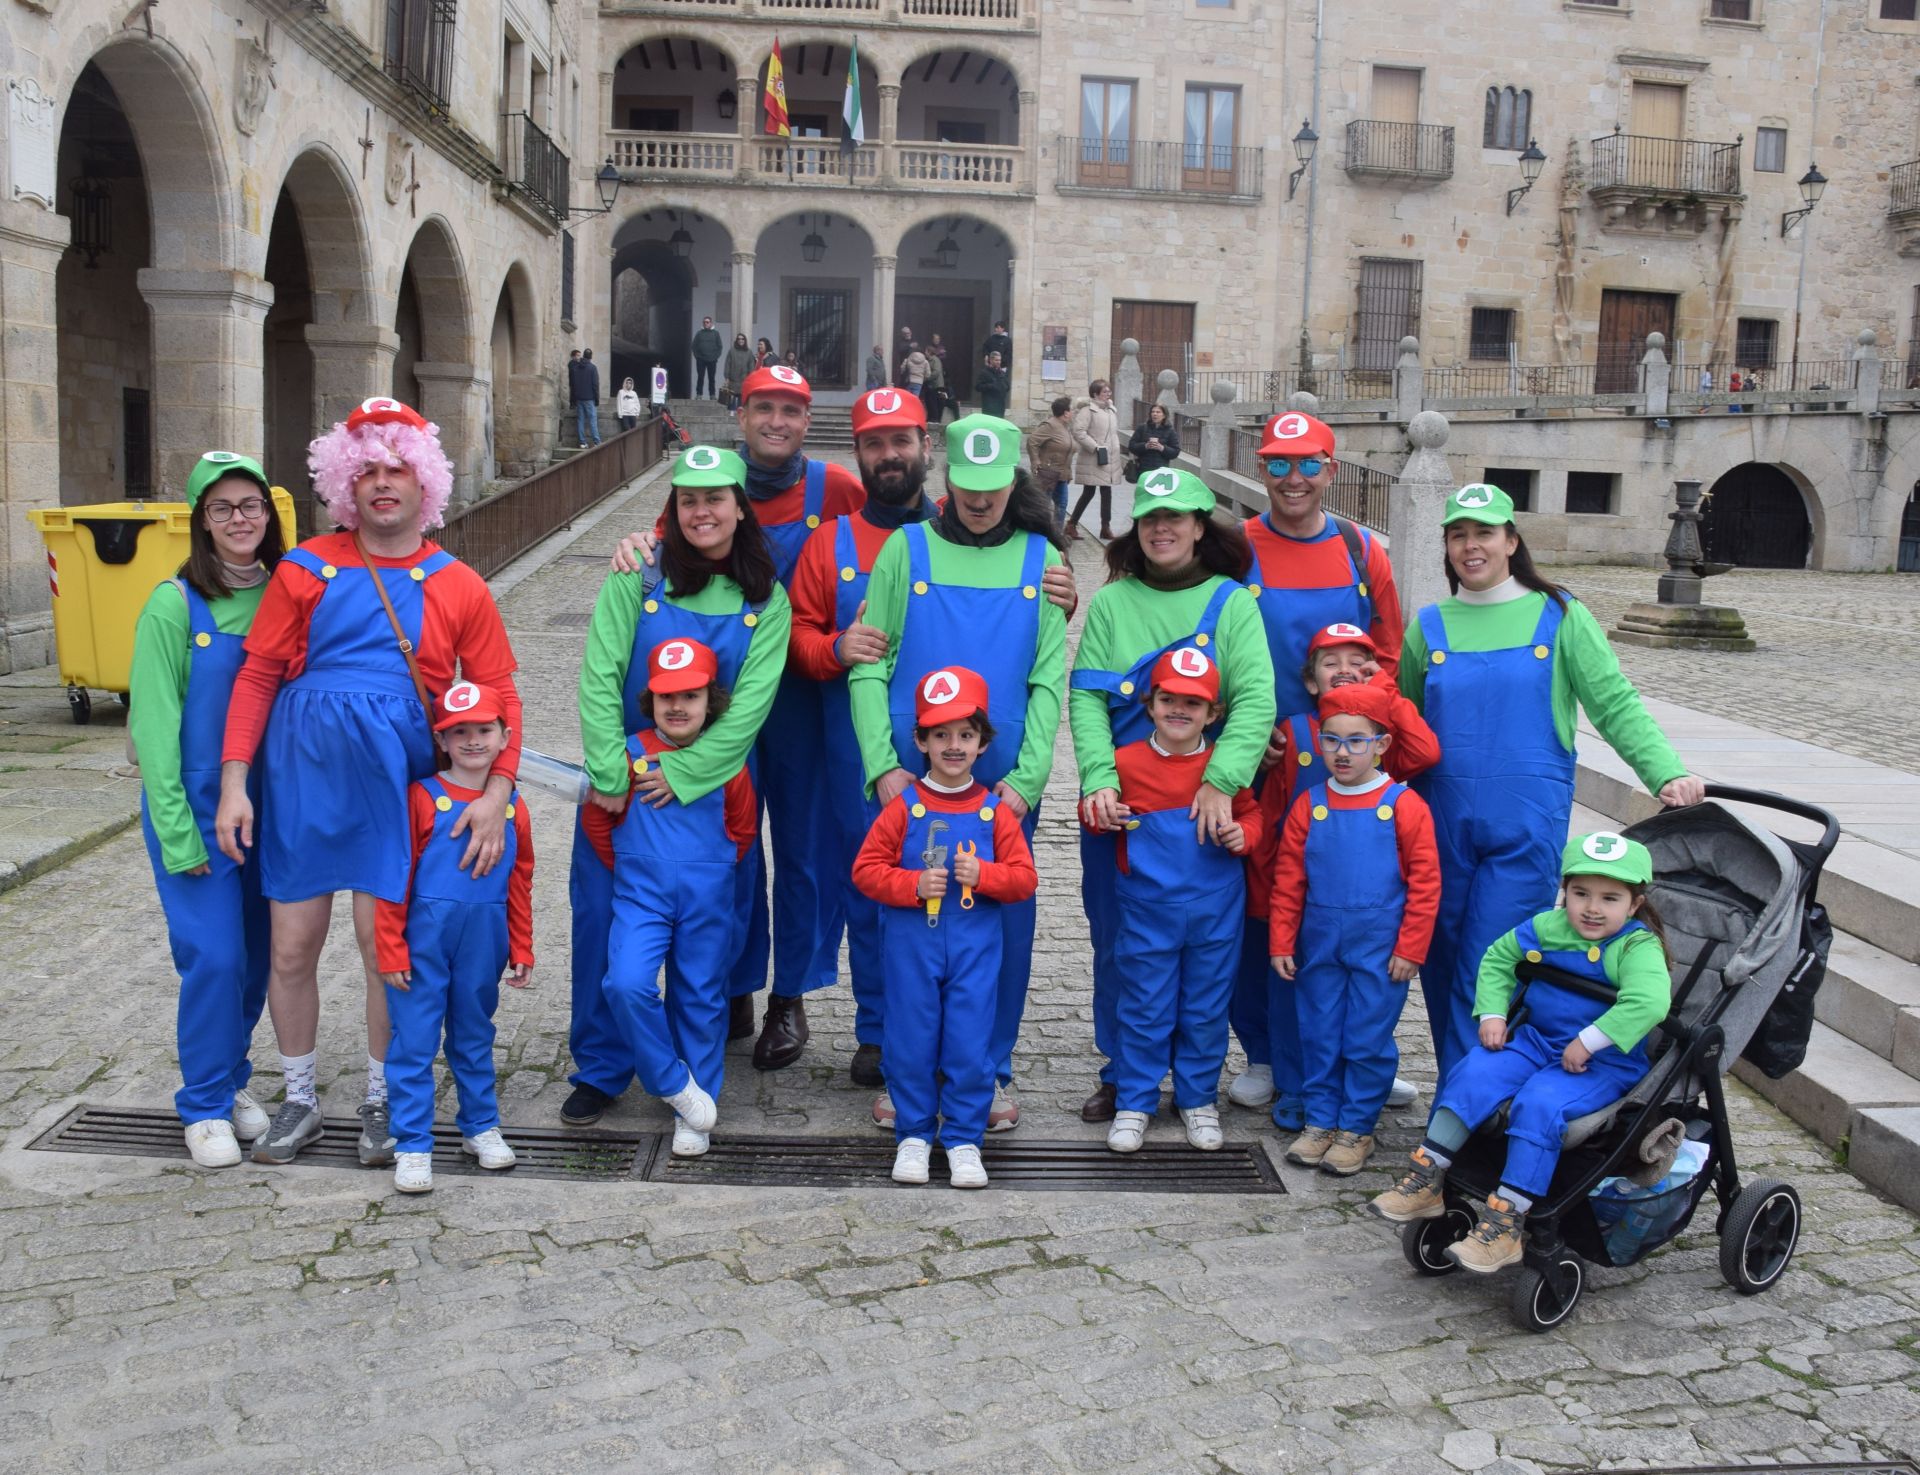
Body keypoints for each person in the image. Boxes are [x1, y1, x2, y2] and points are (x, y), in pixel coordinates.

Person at [216, 397, 523, 1167]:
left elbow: (501, 695)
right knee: (292, 945)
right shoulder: (306, 566)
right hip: (303, 779)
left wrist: (496, 792)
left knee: (386, 948)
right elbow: (256, 676)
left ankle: (387, 1099)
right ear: (346, 481)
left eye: (400, 469)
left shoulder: (459, 584)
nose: (384, 483)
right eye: (370, 470)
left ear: (426, 484)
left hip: (398, 783)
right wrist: (234, 781)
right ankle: (300, 1096)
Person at [1400, 483, 1703, 1088]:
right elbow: (1401, 729)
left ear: (1511, 541)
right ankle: (1468, 1096)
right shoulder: (1428, 627)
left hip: (1522, 830)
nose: (1471, 546)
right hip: (1439, 827)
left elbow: (1614, 702)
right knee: (1440, 963)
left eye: (1484, 533)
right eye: (1458, 535)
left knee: (1493, 965)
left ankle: (1470, 1112)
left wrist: (1664, 770)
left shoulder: (1560, 615)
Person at [610, 367, 866, 1071]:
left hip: (802, 698)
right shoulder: (706, 485)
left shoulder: (838, 490)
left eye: (790, 409)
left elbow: (905, 534)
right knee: (732, 845)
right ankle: (731, 984)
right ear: (742, 412)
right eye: (763, 408)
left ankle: (792, 993)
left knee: (807, 851)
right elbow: (668, 549)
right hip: (714, 701)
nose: (775, 421)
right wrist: (634, 543)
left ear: (807, 418)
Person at [849, 414, 1069, 1132]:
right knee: (905, 922)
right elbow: (870, 664)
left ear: (1015, 479)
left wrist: (1028, 779)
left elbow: (1045, 683)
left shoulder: (1043, 560)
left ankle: (989, 1063)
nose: (979, 500)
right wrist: (883, 762)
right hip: (913, 788)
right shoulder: (904, 552)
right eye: (967, 487)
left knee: (1000, 924)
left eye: (994, 487)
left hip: (999, 790)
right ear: (944, 476)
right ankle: (906, 1065)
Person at [567, 445, 791, 1126]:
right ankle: (603, 1065)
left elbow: (750, 708)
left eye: (715, 498)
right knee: (604, 923)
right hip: (625, 788)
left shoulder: (766, 600)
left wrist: (688, 773)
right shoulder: (637, 575)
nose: (702, 512)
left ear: (738, 507)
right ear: (672, 510)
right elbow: (601, 673)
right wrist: (611, 773)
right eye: (688, 500)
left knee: (706, 936)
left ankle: (692, 1068)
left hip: (716, 791)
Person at [1369, 832, 1672, 1274]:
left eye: (1610, 898)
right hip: (1537, 1040)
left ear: (1634, 904)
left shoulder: (1635, 946)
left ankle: (1507, 1222)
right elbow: (1498, 957)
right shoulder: (1549, 928)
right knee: (1474, 1072)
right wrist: (1492, 1011)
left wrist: (1589, 1040)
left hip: (1600, 1061)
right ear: (1563, 893)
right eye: (1580, 894)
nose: (1592, 908)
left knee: (1540, 1104)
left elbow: (1648, 1002)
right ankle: (1428, 1175)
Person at [1069, 467, 1273, 1124]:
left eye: (1175, 517)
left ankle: (1193, 1084)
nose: (1162, 528)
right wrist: (1098, 777)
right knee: (1117, 943)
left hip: (1198, 813)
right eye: (1151, 516)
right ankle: (1122, 1071)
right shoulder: (1112, 602)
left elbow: (1255, 701)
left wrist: (1223, 781)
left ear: (1199, 527)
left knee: (1204, 956)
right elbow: (1087, 698)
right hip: (1122, 809)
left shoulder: (1233, 602)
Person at [1224, 410, 1408, 1126]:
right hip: (1265, 761)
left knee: (1355, 907)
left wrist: (1363, 728)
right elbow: (1205, 637)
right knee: (1261, 905)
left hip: (1348, 760)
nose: (1292, 478)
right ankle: (1268, 1053)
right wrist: (1243, 729)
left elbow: (1388, 655)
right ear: (1260, 466)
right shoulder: (1236, 546)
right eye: (1277, 462)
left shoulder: (1364, 552)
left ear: (1331, 471)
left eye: (1307, 464)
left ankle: (1354, 1052)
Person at [130, 450, 285, 1168]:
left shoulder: (289, 592)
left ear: (269, 513)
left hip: (274, 813)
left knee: (258, 959)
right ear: (200, 520)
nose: (238, 519)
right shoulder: (173, 602)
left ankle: (230, 1081)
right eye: (221, 508)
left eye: (249, 505)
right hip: (195, 811)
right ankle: (201, 1102)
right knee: (215, 958)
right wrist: (173, 830)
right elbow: (154, 729)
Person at [788, 387, 939, 1088]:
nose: (889, 455)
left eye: (901, 440)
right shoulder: (831, 542)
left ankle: (943, 1025)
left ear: (925, 445)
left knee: (950, 892)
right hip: (857, 756)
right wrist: (834, 650)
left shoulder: (965, 536)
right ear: (858, 454)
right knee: (874, 892)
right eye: (875, 444)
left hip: (955, 754)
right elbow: (794, 634)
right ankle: (877, 1030)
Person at [1242, 622, 1439, 1129]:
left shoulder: (1376, 730)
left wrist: (1384, 691)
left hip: (1369, 907)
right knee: (1301, 1008)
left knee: (1362, 1009)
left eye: (1359, 660)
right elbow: (1271, 813)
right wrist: (1269, 901)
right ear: (1310, 680)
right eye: (1332, 662)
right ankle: (1295, 1086)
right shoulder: (1293, 731)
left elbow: (1423, 753)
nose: (1345, 670)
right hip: (1306, 900)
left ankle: (1357, 1097)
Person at [854, 666, 1037, 1190]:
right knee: (910, 1039)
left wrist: (987, 875)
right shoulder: (902, 809)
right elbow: (865, 871)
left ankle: (961, 1138)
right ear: (920, 741)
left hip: (976, 952)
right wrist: (911, 885)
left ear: (983, 743)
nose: (953, 746)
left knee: (969, 1042)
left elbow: (1024, 880)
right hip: (912, 948)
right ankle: (912, 1135)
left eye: (965, 735)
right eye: (940, 735)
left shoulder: (995, 813)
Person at [1097, 646, 1262, 1155]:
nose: (1179, 711)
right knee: (1144, 1005)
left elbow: (1252, 815)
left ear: (1213, 714)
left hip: (1216, 909)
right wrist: (1102, 814)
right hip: (1147, 910)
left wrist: (1243, 836)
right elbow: (1093, 813)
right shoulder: (1123, 762)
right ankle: (1135, 1100)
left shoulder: (1225, 767)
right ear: (1150, 704)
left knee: (1205, 1007)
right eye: (1169, 698)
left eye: (1193, 703)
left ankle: (1197, 1099)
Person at [597, 637, 757, 1158]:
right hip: (641, 897)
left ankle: (700, 1107)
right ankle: (671, 1081)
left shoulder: (725, 759)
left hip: (708, 898)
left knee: (701, 998)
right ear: (651, 701)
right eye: (667, 697)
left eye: (690, 696)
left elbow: (743, 828)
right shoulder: (630, 753)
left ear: (711, 701)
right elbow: (600, 821)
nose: (678, 707)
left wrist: (712, 873)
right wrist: (633, 871)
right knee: (625, 983)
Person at [375, 681, 534, 1194]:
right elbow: (392, 875)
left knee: (473, 1034)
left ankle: (480, 1126)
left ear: (504, 735)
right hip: (423, 941)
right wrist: (391, 946)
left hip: (484, 942)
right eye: (458, 731)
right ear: (441, 740)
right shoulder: (420, 797)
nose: (472, 741)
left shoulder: (515, 808)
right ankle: (413, 1143)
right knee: (415, 1042)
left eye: (483, 730)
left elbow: (520, 879)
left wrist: (522, 943)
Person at [1066, 380, 1123, 541]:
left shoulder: (1111, 410)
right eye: (1104, 392)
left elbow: (1113, 434)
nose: (1108, 395)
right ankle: (1072, 524)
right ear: (1095, 394)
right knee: (1089, 492)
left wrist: (1115, 448)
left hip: (1108, 458)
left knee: (1106, 492)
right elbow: (1078, 432)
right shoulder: (1087, 410)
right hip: (1093, 457)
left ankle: (1105, 527)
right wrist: (1096, 447)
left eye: (1108, 392)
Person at [1027, 396, 1075, 527]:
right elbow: (1032, 441)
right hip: (1048, 473)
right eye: (1072, 410)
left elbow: (1068, 451)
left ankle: (1056, 535)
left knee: (1062, 506)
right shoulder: (1050, 425)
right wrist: (1035, 461)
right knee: (1044, 506)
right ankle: (1041, 531)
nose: (1073, 412)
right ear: (1065, 412)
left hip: (1062, 476)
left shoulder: (1065, 427)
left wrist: (1069, 473)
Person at [1128, 404, 1181, 477]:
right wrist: (1145, 446)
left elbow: (1175, 452)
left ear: (1164, 415)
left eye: (1158, 412)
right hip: (1143, 469)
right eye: (1153, 412)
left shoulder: (1170, 431)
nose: (1155, 414)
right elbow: (1131, 446)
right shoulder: (1142, 428)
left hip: (1161, 471)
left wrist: (1161, 448)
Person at [571, 348, 602, 447]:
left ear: (583, 355)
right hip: (589, 398)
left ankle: (582, 442)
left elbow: (573, 384)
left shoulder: (575, 368)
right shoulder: (592, 368)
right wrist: (597, 399)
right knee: (592, 420)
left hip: (579, 398)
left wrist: (574, 398)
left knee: (581, 420)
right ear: (591, 356)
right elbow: (595, 385)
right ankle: (596, 441)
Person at [692, 316, 723, 399]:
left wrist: (715, 356)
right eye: (704, 322)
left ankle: (712, 395)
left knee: (711, 378)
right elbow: (694, 346)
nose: (706, 323)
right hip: (701, 360)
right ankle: (699, 394)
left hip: (712, 360)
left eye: (707, 322)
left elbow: (719, 346)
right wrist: (697, 356)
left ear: (711, 323)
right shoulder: (699, 333)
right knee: (700, 377)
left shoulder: (716, 333)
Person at [724, 334, 756, 410]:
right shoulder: (732, 351)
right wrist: (727, 376)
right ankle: (731, 412)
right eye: (739, 339)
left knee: (741, 397)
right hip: (733, 378)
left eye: (742, 339)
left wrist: (750, 377)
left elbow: (751, 365)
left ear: (745, 341)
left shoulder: (749, 352)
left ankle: (739, 413)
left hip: (744, 379)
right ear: (737, 340)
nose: (740, 340)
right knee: (732, 396)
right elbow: (727, 363)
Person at [976, 351, 1011, 419]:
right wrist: (990, 386)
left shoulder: (1001, 373)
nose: (998, 362)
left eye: (1000, 360)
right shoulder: (985, 373)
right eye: (996, 360)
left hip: (1000, 406)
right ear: (991, 360)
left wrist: (1005, 387)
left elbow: (1007, 386)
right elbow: (978, 387)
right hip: (989, 406)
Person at [922, 344, 949, 424]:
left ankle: (935, 418)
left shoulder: (935, 360)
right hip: (931, 385)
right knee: (929, 402)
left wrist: (926, 377)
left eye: (926, 351)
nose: (925, 353)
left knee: (935, 402)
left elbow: (936, 372)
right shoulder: (928, 360)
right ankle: (931, 418)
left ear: (929, 352)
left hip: (936, 385)